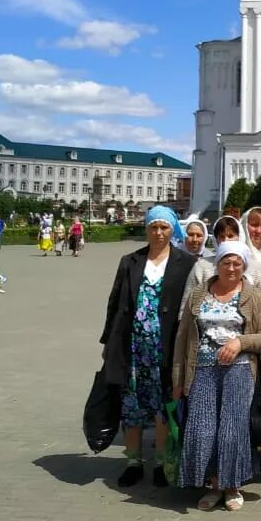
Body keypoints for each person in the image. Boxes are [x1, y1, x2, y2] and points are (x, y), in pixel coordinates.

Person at [173, 241, 261, 511]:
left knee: (231, 430)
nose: (231, 268)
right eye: (226, 262)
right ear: (216, 265)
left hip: (239, 371)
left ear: (244, 266)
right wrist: (178, 381)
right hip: (202, 371)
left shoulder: (254, 296)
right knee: (204, 429)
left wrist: (240, 342)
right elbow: (182, 339)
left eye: (237, 263)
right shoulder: (198, 295)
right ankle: (213, 486)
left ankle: (232, 487)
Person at [99, 206, 196, 487]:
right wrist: (108, 341)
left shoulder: (185, 262)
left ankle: (162, 464)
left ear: (172, 230)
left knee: (163, 405)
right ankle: (133, 461)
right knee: (131, 406)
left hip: (164, 347)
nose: (158, 233)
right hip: (132, 346)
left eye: (164, 227)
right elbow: (115, 301)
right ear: (147, 229)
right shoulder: (131, 260)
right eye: (153, 227)